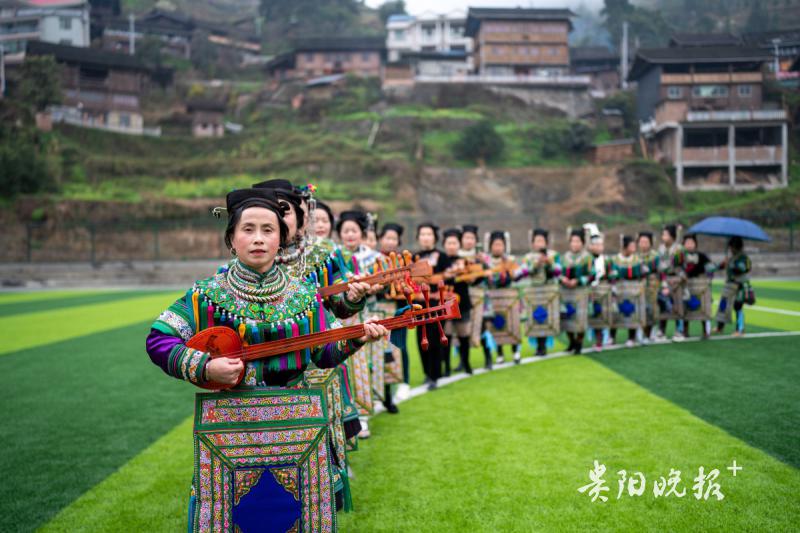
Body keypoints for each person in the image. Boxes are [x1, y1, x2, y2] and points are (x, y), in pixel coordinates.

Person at [145, 188, 387, 529]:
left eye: (268, 230)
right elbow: (159, 339)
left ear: (281, 239)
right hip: (232, 425)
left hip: (298, 423)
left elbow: (325, 353)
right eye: (248, 229)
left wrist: (358, 337)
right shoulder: (206, 294)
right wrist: (204, 367)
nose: (258, 239)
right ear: (231, 239)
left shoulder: (303, 295)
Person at [376, 221, 409, 409]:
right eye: (387, 238)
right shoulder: (373, 259)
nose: (390, 242)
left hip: (393, 311)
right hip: (373, 309)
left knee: (392, 351)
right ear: (381, 239)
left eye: (393, 239)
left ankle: (388, 395)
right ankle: (375, 392)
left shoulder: (401, 261)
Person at [519, 228, 561, 356]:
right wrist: (536, 265)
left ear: (546, 242)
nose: (540, 243)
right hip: (533, 290)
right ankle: (538, 345)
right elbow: (524, 272)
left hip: (549, 290)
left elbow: (558, 271)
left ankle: (543, 345)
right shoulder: (528, 257)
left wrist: (550, 263)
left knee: (546, 317)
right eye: (537, 241)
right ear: (532, 243)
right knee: (535, 317)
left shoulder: (554, 255)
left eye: (542, 240)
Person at [440, 228, 475, 375]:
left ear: (459, 245)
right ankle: (446, 366)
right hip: (445, 302)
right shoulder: (441, 261)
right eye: (449, 243)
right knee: (446, 334)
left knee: (464, 335)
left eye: (454, 243)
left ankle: (466, 362)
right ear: (444, 244)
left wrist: (465, 273)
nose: (451, 246)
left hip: (463, 301)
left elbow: (473, 279)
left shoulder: (464, 261)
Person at [415, 221, 445, 390]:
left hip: (436, 304)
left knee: (434, 339)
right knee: (421, 338)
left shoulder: (442, 257)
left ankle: (435, 375)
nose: (425, 237)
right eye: (422, 234)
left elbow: (447, 279)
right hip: (419, 305)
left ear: (434, 237)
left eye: (429, 234)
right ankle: (427, 373)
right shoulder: (414, 257)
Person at [483, 230, 520, 364]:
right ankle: (499, 353)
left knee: (512, 324)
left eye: (500, 245)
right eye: (495, 245)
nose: (497, 248)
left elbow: (518, 275)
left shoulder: (510, 260)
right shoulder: (486, 261)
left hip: (508, 296)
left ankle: (515, 351)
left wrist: (511, 274)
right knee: (496, 324)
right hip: (492, 296)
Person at [560, 228, 594, 354]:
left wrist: (578, 280)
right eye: (573, 241)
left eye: (578, 241)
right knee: (567, 317)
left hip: (580, 291)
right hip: (566, 292)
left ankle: (579, 342)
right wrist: (562, 278)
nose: (575, 244)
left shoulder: (588, 258)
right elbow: (558, 272)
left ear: (583, 242)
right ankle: (571, 341)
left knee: (580, 318)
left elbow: (592, 274)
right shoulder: (564, 257)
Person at [610, 235, 644, 347]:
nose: (634, 248)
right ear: (625, 246)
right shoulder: (615, 260)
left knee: (632, 312)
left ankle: (631, 337)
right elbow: (612, 274)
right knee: (616, 312)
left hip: (633, 288)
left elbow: (642, 274)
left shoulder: (638, 259)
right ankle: (612, 337)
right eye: (631, 245)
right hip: (619, 288)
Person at [716, 236, 752, 337]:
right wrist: (721, 265)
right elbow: (721, 267)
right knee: (723, 305)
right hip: (729, 285)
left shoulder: (743, 258)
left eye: (732, 247)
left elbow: (744, 269)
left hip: (740, 285)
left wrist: (731, 265)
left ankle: (740, 330)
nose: (731, 249)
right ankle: (720, 327)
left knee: (738, 306)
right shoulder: (731, 257)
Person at [586, 224, 613, 351]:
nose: (598, 247)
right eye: (595, 244)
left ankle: (600, 339)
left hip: (602, 292)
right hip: (588, 291)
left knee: (600, 315)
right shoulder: (586, 260)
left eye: (600, 245)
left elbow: (612, 274)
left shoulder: (606, 260)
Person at [682, 233, 716, 339]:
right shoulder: (680, 257)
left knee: (704, 309)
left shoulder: (702, 256)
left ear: (695, 244)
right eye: (687, 243)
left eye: (691, 242)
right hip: (687, 285)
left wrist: (710, 277)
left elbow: (711, 267)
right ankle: (685, 331)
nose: (689, 245)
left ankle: (706, 332)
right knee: (685, 310)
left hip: (701, 285)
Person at [658, 224, 687, 341]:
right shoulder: (661, 248)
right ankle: (661, 330)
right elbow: (660, 264)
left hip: (677, 279)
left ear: (672, 236)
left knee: (677, 305)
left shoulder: (679, 249)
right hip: (664, 279)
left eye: (665, 234)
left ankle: (679, 331)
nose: (663, 237)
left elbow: (679, 264)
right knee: (663, 305)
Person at [637, 231, 660, 344]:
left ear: (651, 243)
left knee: (651, 309)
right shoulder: (636, 256)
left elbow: (651, 267)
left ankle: (650, 331)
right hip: (639, 286)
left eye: (646, 242)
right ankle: (641, 332)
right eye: (641, 241)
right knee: (640, 309)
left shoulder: (655, 256)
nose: (643, 244)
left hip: (652, 286)